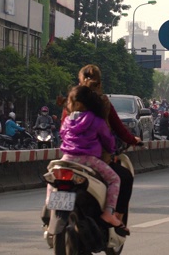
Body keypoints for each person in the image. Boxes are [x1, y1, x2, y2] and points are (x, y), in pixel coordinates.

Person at [75, 64, 141, 224]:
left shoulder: (72, 99)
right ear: (99, 83)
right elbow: (116, 131)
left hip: (69, 156)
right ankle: (113, 215)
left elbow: (62, 128)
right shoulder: (102, 104)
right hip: (95, 158)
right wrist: (132, 141)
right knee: (123, 178)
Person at [59, 85, 128, 235]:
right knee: (115, 179)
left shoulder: (67, 121)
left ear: (77, 104)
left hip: (66, 159)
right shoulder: (97, 121)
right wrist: (111, 150)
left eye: (69, 102)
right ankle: (109, 212)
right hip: (88, 160)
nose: (67, 105)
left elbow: (62, 135)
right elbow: (109, 142)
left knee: (54, 177)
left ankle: (48, 204)